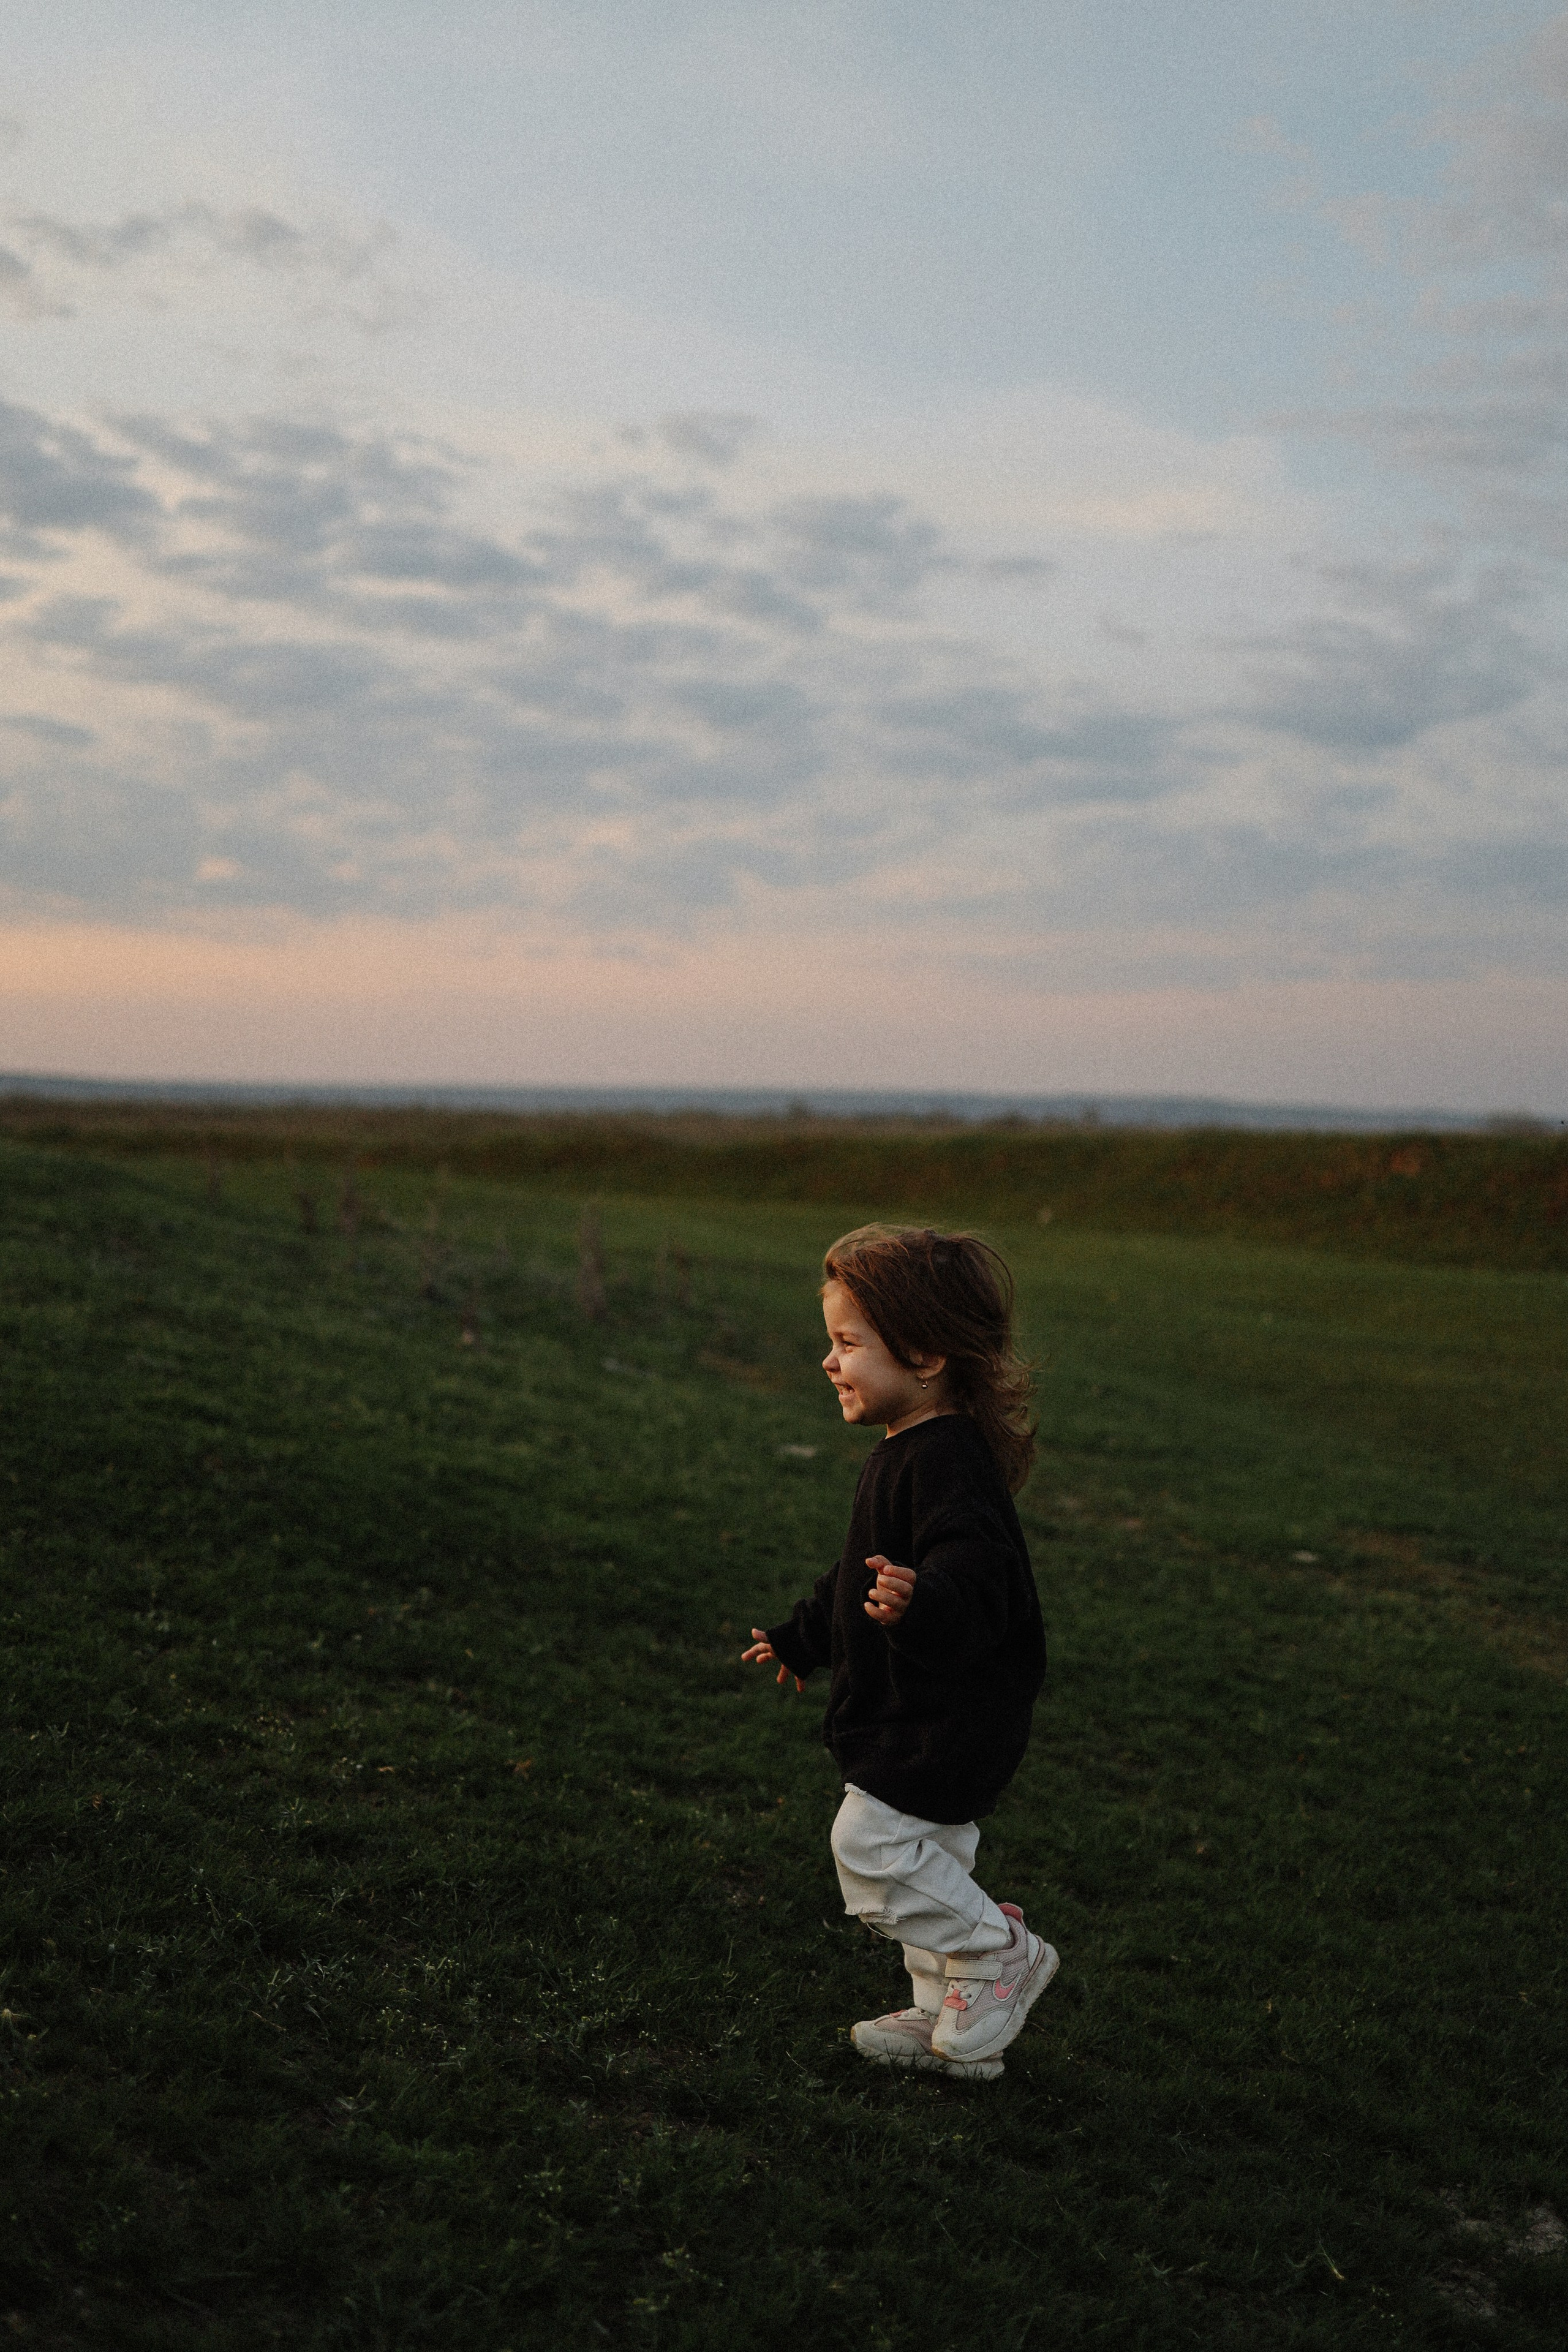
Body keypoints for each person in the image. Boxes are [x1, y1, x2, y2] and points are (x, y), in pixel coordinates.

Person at [744, 1224, 1055, 2079]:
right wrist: (803, 1635)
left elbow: (974, 1569)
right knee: (935, 1855)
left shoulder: (947, 1459)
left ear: (922, 1354)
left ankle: (1000, 1953)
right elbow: (857, 1569)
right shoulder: (904, 1451)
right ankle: (943, 2021)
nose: (828, 1361)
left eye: (847, 1343)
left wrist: (926, 1598)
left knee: (872, 1847)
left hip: (950, 1713)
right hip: (923, 1708)